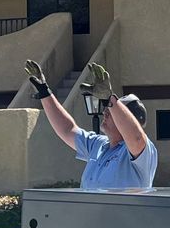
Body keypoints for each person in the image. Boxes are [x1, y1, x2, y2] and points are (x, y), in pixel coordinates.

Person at [25, 59, 157, 192]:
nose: (105, 112)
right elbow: (67, 129)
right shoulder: (98, 145)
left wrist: (110, 100)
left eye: (112, 111)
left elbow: (136, 138)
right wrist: (45, 92)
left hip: (123, 214)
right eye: (108, 108)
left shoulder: (142, 153)